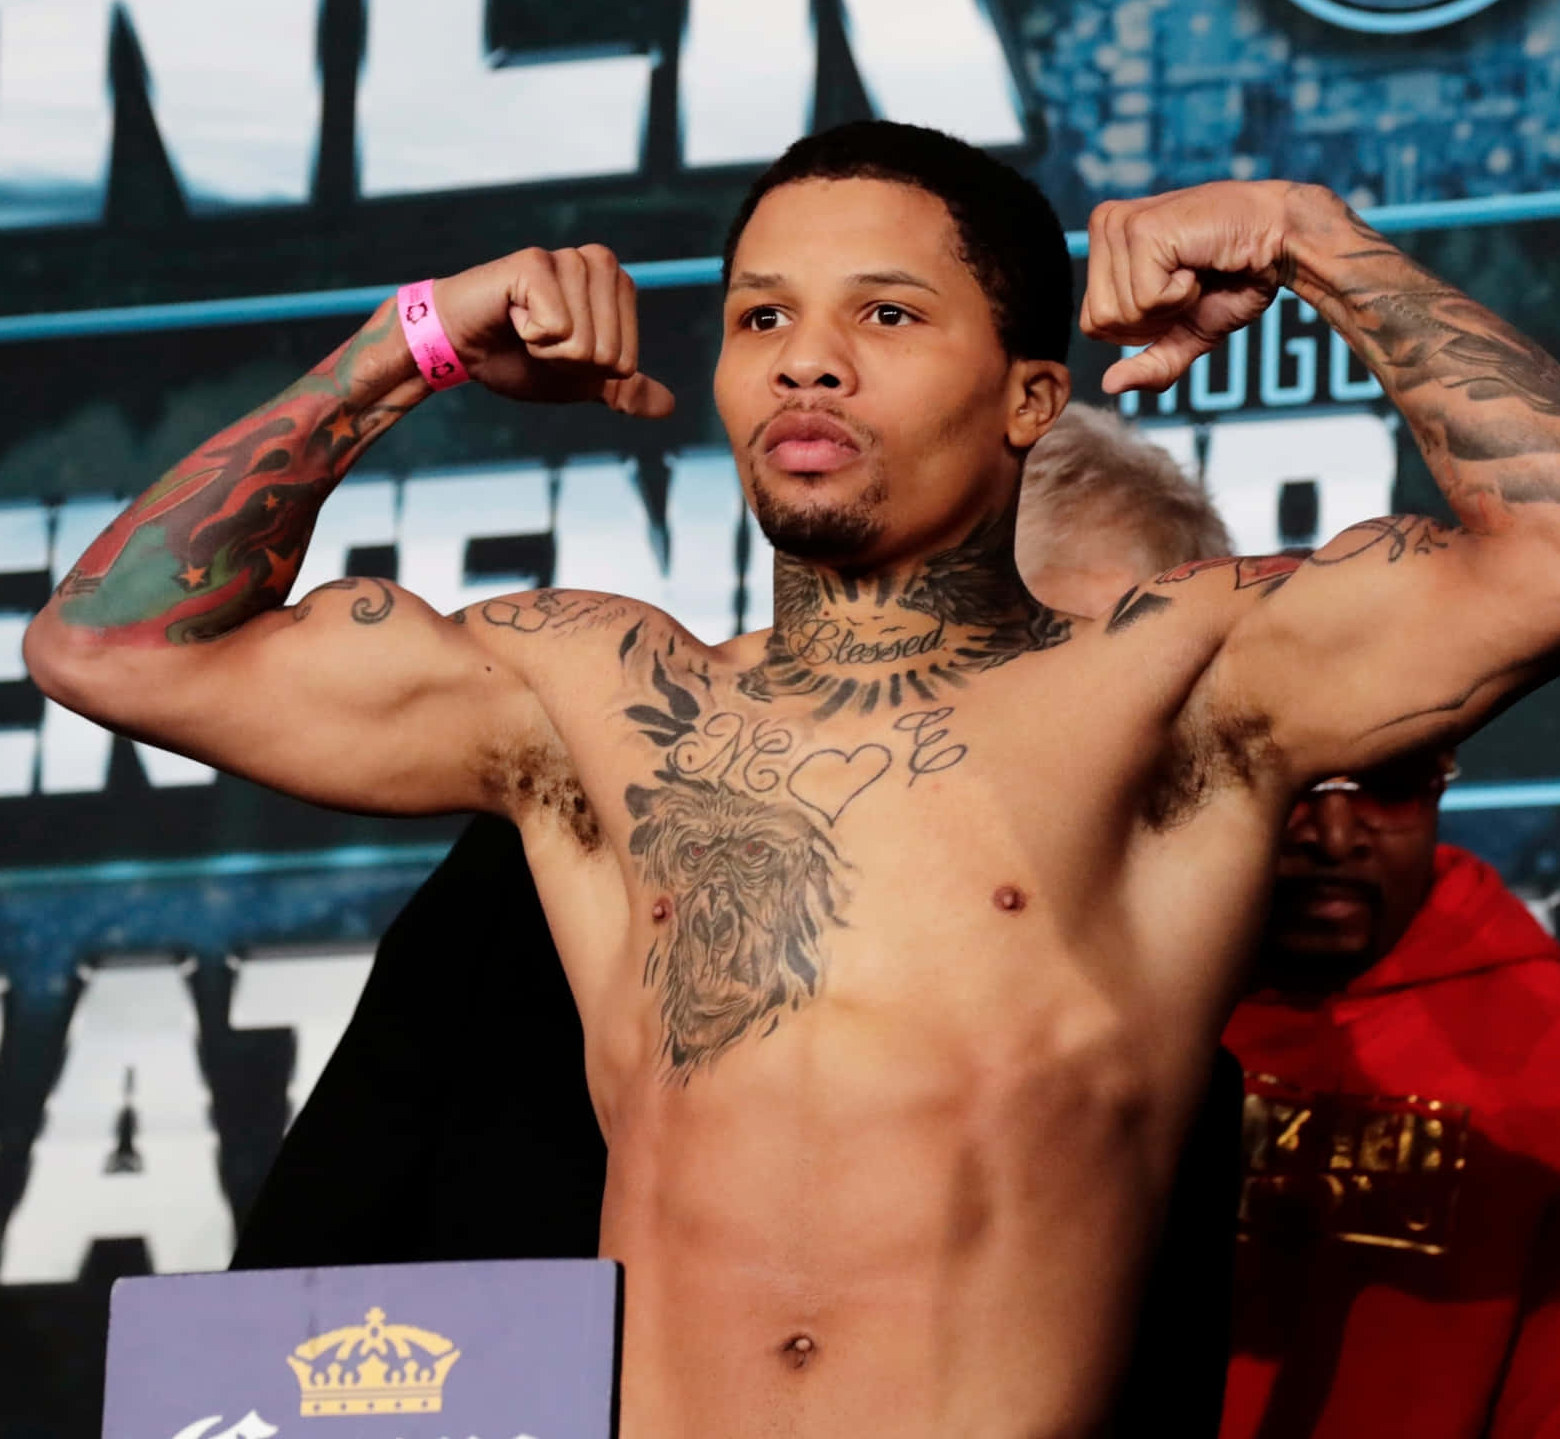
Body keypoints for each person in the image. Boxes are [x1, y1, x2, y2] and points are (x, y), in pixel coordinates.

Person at [25, 120, 1560, 1435]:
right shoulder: (591, 700)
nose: (807, 362)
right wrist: (410, 345)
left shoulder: (1172, 694)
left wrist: (1315, 242)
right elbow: (114, 651)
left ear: (1030, 396)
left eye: (884, 315)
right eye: (765, 318)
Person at [231, 401, 1244, 1429]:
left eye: (1140, 680)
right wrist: (414, 345)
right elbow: (316, 1233)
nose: (1096, 715)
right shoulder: (575, 849)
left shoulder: (1161, 1051)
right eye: (1052, 651)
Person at [1220, 749, 1560, 1438]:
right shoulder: (1113, 1026)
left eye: (1391, 788)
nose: (1335, 836)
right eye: (1293, 782)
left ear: (1438, 788)